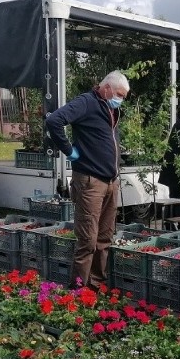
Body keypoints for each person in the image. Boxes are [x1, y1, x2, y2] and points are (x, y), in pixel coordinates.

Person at [45, 70, 129, 289]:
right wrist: (69, 150)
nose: (120, 99)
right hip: (91, 181)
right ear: (107, 88)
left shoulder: (108, 109)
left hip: (111, 182)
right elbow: (54, 121)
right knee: (88, 240)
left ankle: (96, 285)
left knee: (104, 238)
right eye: (119, 94)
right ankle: (79, 289)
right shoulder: (87, 102)